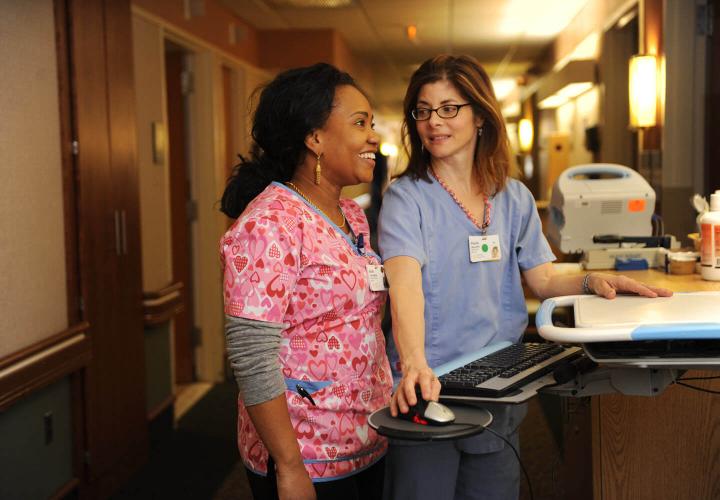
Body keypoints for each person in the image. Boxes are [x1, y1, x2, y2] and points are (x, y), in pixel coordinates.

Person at [377, 54, 672, 500]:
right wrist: (414, 361)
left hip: (498, 382)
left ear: (480, 116)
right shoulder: (407, 198)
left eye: (448, 108)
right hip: (429, 384)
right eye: (423, 110)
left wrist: (596, 282)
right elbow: (404, 284)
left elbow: (544, 280)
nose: (433, 122)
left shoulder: (512, 197)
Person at [220, 63, 392, 500]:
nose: (374, 137)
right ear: (314, 138)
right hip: (305, 455)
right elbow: (251, 354)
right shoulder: (269, 224)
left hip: (366, 438)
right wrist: (291, 467)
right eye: (360, 123)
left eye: (372, 123)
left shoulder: (352, 215)